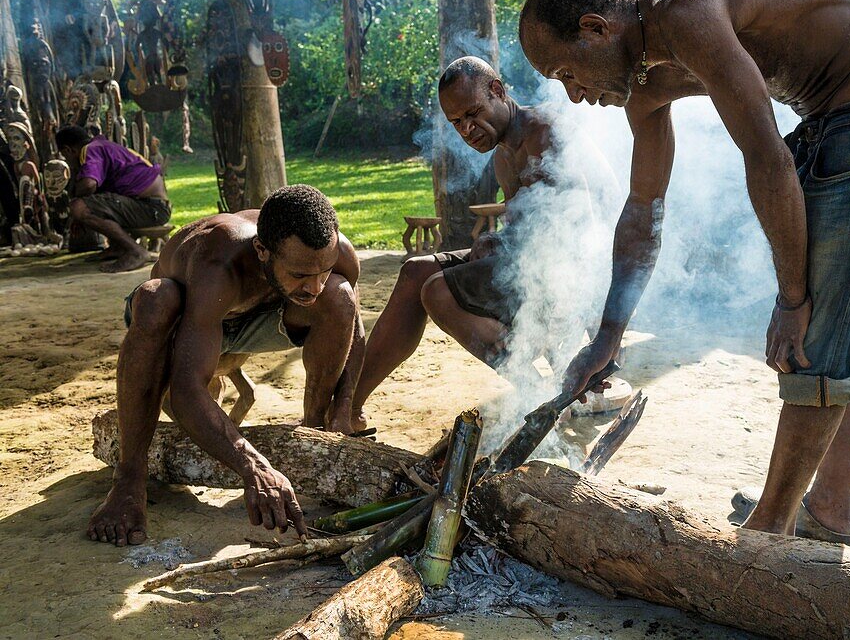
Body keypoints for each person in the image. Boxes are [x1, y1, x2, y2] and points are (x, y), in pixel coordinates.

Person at [519, 0, 850, 545]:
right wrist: (608, 339)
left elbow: (767, 158)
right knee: (838, 319)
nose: (574, 95)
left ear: (595, 28)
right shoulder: (645, 85)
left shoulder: (684, 13)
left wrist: (791, 298)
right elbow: (643, 212)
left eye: (566, 72)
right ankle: (829, 509)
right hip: (834, 117)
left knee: (816, 329)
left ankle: (769, 535)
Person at [88, 184, 365, 546]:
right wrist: (254, 466)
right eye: (299, 274)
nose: (313, 287)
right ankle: (128, 478)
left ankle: (315, 428)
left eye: (323, 271)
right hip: (185, 320)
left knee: (341, 297)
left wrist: (343, 410)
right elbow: (189, 389)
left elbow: (353, 326)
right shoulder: (217, 259)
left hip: (262, 313)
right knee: (156, 299)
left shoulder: (335, 252)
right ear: (262, 251)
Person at [346, 56, 567, 433]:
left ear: (497, 91)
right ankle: (348, 406)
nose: (467, 129)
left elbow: (563, 233)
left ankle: (538, 390)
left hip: (565, 273)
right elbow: (523, 227)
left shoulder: (543, 132)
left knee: (438, 291)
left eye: (473, 113)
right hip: (529, 263)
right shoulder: (503, 156)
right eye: (457, 123)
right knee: (417, 271)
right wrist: (495, 239)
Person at [55, 125, 172, 272]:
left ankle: (136, 251)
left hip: (151, 208)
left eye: (65, 156)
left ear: (68, 150)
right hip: (153, 207)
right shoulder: (103, 146)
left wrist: (73, 194)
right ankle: (118, 247)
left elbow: (89, 184)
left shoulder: (90, 149)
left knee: (78, 207)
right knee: (91, 204)